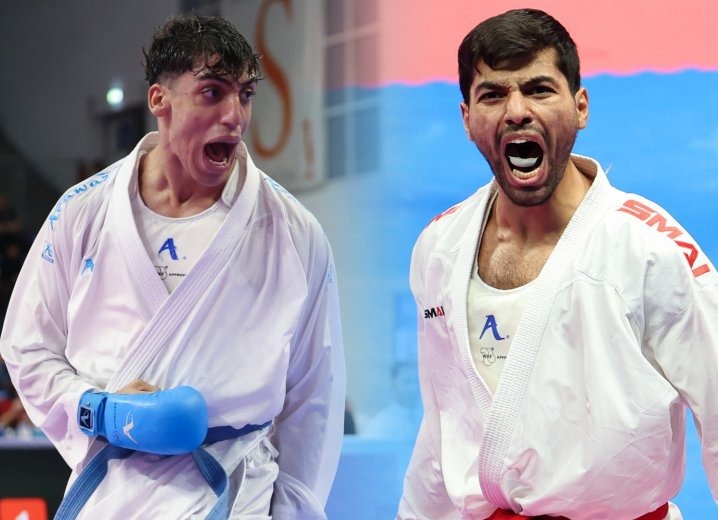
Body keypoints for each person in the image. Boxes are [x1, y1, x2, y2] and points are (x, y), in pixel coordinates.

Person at [0, 14, 345, 519]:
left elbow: (314, 397)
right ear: (159, 100)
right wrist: (100, 411)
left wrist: (294, 512)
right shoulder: (81, 212)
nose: (235, 116)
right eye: (212, 92)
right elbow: (26, 347)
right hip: (114, 495)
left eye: (245, 95)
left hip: (234, 496)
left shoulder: (293, 232)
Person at [398, 8, 717, 520]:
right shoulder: (439, 247)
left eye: (539, 89)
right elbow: (443, 423)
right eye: (492, 95)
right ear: (467, 119)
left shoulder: (649, 248)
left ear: (580, 106)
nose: (516, 111)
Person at [362, 361, 421, 441]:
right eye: (407, 381)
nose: (413, 388)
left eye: (416, 382)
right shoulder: (380, 424)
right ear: (392, 384)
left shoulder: (427, 419)